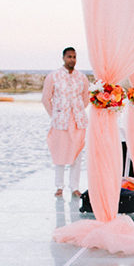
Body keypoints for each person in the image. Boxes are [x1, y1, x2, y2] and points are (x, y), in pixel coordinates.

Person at [41, 46, 89, 197]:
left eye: (74, 57)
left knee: (77, 154)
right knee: (59, 153)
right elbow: (46, 98)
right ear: (63, 58)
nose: (72, 60)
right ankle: (59, 186)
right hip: (60, 122)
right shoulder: (53, 77)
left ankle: (74, 187)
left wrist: (78, 111)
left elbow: (86, 98)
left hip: (78, 121)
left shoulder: (82, 77)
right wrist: (55, 114)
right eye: (69, 57)